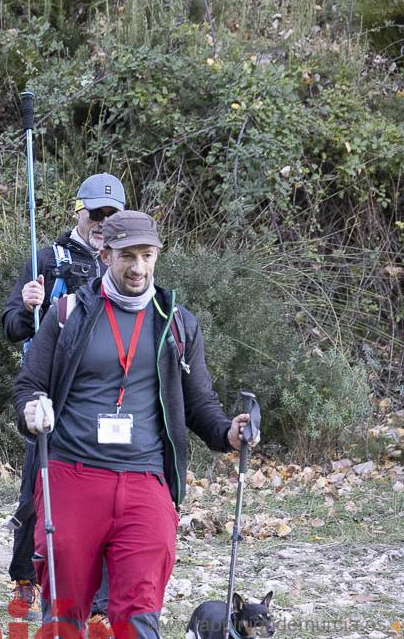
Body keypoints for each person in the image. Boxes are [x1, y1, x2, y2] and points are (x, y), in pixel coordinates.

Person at [13, 211, 259, 637]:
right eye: (127, 255)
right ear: (106, 255)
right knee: (65, 613)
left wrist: (228, 433)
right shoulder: (68, 314)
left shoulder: (177, 322)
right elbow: (29, 385)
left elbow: (200, 403)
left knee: (139, 613)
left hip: (146, 480)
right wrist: (32, 409)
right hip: (72, 476)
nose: (138, 267)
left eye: (147, 255)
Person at [0, 173, 127, 622]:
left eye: (112, 215)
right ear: (79, 212)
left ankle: (99, 600)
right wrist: (27, 305)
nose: (103, 222)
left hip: (105, 394)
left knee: (106, 494)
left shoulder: (124, 265)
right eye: (96, 213)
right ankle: (24, 578)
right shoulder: (46, 260)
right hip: (50, 391)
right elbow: (12, 327)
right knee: (37, 489)